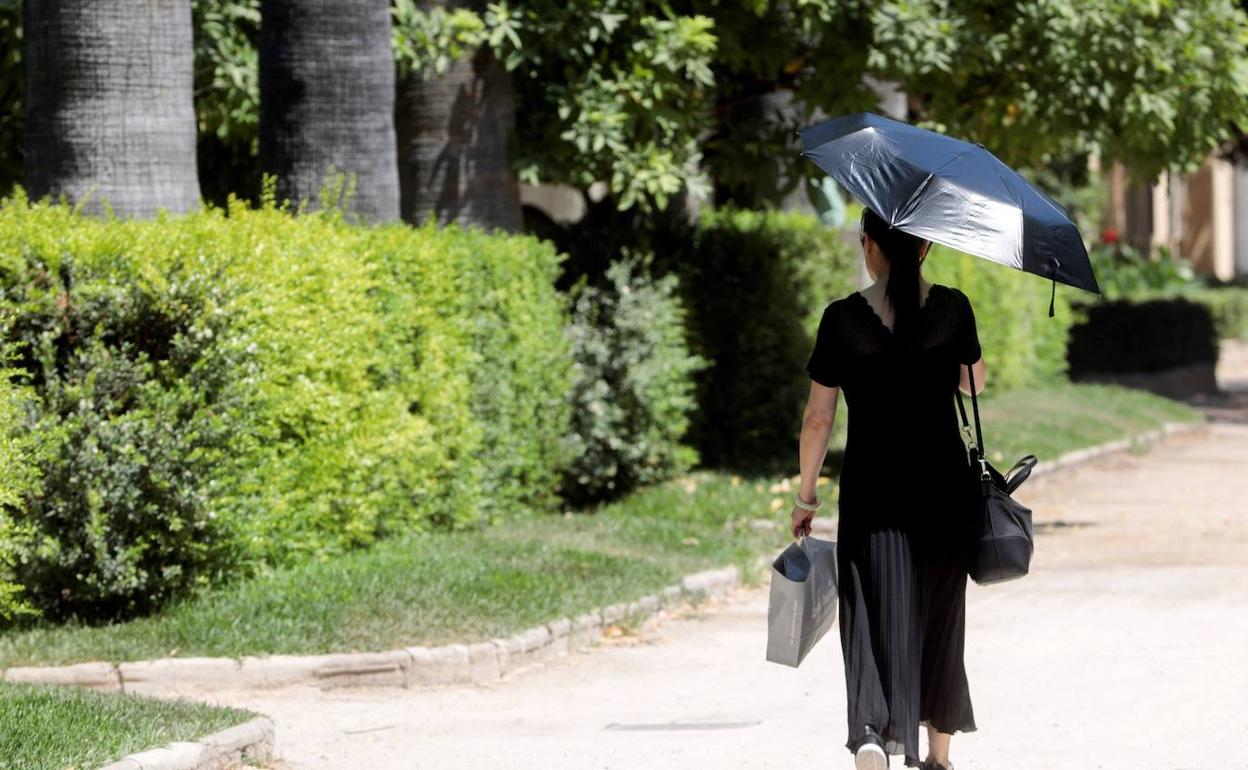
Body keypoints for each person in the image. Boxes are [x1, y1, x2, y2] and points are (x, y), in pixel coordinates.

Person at [791, 207, 986, 770]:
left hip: (873, 490)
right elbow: (974, 383)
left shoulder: (843, 320)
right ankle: (938, 757)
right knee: (942, 615)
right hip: (946, 489)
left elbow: (818, 420)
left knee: (872, 612)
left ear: (868, 245)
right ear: (925, 248)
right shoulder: (952, 309)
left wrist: (807, 496)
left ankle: (872, 731)